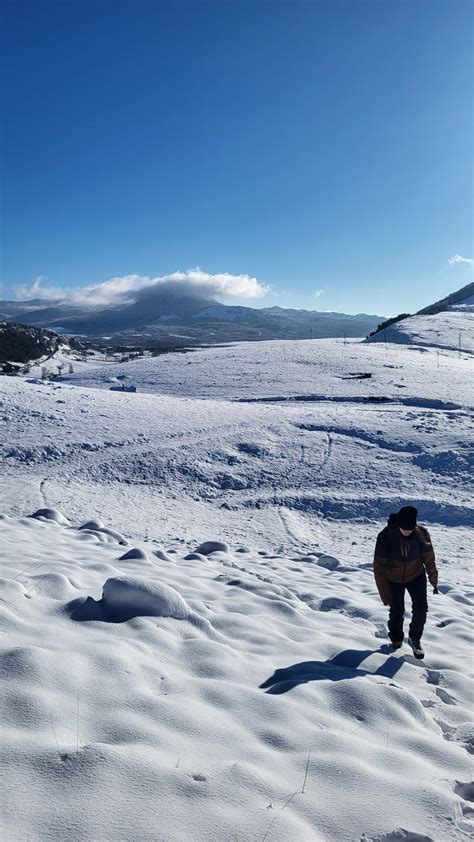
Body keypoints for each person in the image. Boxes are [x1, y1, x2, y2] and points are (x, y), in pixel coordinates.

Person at [373, 505, 438, 658]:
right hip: (393, 578)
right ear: (398, 524)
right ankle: (396, 639)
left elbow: (429, 559)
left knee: (421, 609)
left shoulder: (421, 534)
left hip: (416, 575)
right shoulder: (386, 536)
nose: (407, 532)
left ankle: (415, 639)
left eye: (410, 529)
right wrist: (385, 594)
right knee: (397, 610)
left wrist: (433, 579)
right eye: (404, 529)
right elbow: (379, 567)